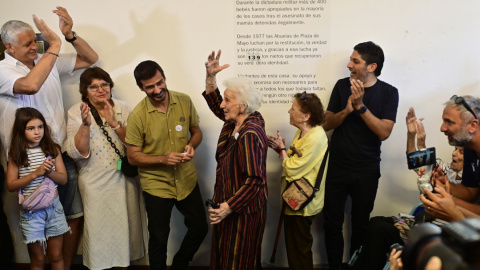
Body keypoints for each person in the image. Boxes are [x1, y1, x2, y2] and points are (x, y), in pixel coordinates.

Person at [0, 8, 98, 269]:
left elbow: (90, 58)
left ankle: (62, 266)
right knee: (36, 220)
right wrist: (53, 45)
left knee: (72, 214)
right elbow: (30, 85)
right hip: (24, 159)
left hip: (59, 152)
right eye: (27, 43)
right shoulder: (2, 70)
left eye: (35, 40)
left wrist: (69, 35)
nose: (35, 46)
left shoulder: (48, 58)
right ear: (9, 47)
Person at [352, 107, 464, 270]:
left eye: (461, 152)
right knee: (376, 221)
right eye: (455, 150)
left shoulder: (470, 185)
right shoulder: (446, 170)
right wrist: (412, 135)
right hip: (425, 223)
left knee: (379, 229)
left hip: (440, 233)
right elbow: (416, 163)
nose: (455, 154)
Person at [322, 41, 399, 269]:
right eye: (351, 59)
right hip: (337, 167)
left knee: (361, 226)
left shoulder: (389, 92)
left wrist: (361, 107)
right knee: (331, 224)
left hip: (366, 170)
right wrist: (347, 109)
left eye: (355, 61)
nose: (349, 65)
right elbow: (326, 124)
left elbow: (384, 132)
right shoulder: (341, 86)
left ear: (372, 66)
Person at [126, 60, 207, 270]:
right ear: (141, 88)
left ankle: (179, 264)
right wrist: (162, 159)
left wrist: (191, 145)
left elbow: (196, 131)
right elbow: (133, 157)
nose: (157, 89)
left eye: (159, 82)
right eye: (150, 87)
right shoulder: (137, 116)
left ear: (164, 76)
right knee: (159, 239)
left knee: (200, 228)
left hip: (187, 179)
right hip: (157, 185)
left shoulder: (184, 100)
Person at [65, 67, 147, 269]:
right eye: (94, 87)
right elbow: (77, 152)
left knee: (123, 231)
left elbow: (134, 144)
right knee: (98, 231)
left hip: (123, 179)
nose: (101, 89)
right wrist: (85, 125)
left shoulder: (123, 108)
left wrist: (114, 122)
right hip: (94, 180)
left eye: (104, 84)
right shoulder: (77, 111)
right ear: (85, 90)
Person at [202, 50, 268, 270]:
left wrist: (228, 207)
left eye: (227, 100)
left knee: (238, 261)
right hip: (228, 206)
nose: (222, 104)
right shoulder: (236, 120)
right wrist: (211, 77)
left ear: (242, 106)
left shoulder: (250, 133)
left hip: (242, 212)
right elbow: (215, 104)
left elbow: (255, 180)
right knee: (226, 258)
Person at [267, 91, 329, 270]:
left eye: (293, 109)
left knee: (299, 250)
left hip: (302, 204)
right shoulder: (302, 132)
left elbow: (293, 168)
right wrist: (281, 149)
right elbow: (296, 159)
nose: (289, 111)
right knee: (296, 248)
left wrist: (282, 150)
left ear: (306, 116)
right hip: (293, 199)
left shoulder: (315, 137)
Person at [5, 107, 69, 269]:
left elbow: (63, 179)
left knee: (56, 256)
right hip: (32, 213)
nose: (37, 132)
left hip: (54, 209)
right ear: (21, 130)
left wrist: (48, 172)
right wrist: (36, 173)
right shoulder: (16, 153)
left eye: (40, 127)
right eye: (31, 128)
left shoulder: (53, 149)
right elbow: (11, 185)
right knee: (38, 259)